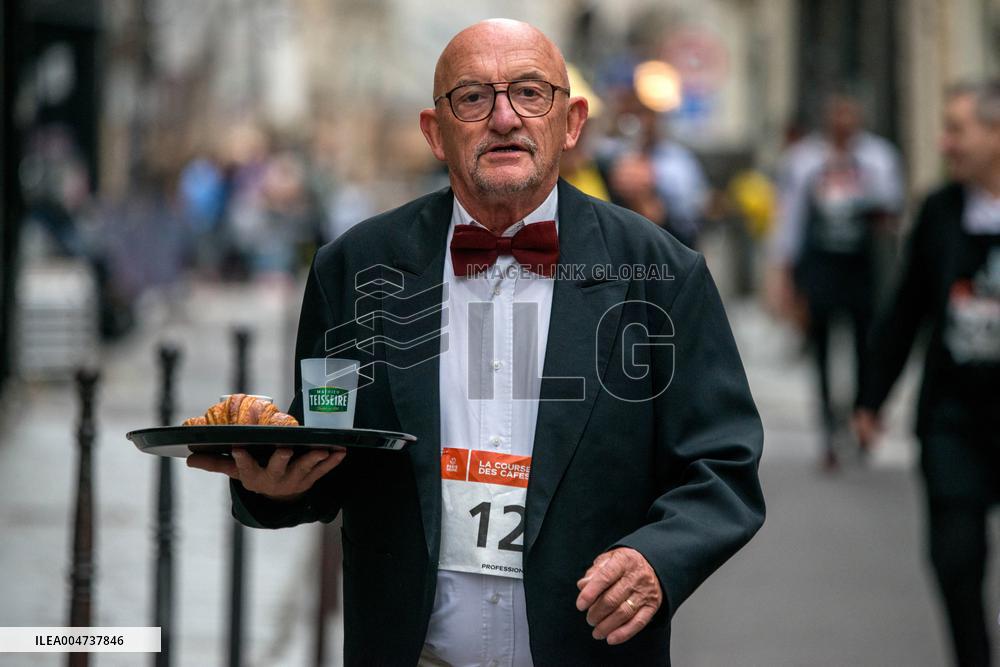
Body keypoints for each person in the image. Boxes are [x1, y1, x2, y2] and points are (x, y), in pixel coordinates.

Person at [188, 19, 764, 666]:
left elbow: (722, 467)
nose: (504, 117)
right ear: (435, 133)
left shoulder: (661, 275)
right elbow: (331, 444)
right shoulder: (354, 269)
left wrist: (658, 557)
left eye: (529, 93)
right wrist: (277, 482)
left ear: (571, 123)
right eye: (472, 98)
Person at [854, 81, 1000, 667]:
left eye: (957, 129)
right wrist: (871, 399)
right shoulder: (940, 212)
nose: (945, 143)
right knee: (956, 560)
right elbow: (906, 310)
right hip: (954, 420)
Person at [770, 92, 904, 469]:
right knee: (822, 353)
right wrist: (785, 278)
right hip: (820, 270)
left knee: (867, 348)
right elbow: (791, 221)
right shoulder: (805, 161)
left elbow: (892, 209)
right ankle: (829, 429)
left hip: (863, 270)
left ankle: (863, 415)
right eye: (837, 114)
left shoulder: (878, 158)